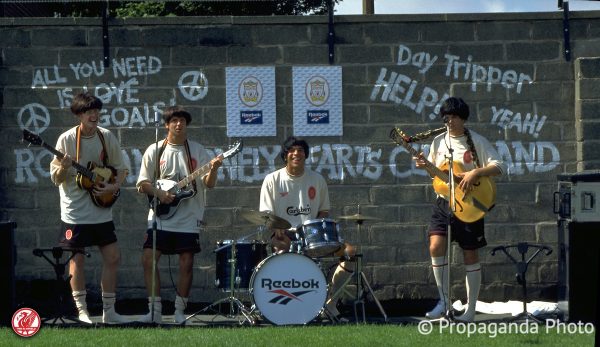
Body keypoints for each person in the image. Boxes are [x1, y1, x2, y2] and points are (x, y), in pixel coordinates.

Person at [414, 97, 506, 322]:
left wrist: (476, 172)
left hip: (469, 203)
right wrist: (425, 166)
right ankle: (444, 301)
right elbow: (439, 176)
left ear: (463, 118)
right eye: (446, 117)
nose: (450, 121)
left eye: (454, 116)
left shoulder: (476, 141)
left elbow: (499, 166)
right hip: (443, 202)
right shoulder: (437, 142)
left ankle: (471, 308)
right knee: (436, 246)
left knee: (470, 253)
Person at [136, 106, 222, 324]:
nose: (178, 124)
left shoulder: (197, 150)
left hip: (188, 217)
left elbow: (209, 185)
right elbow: (142, 184)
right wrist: (159, 194)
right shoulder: (155, 150)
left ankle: (179, 311)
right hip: (159, 217)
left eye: (182, 120)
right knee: (148, 259)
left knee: (186, 262)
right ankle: (154, 310)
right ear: (167, 124)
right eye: (174, 120)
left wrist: (213, 169)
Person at [49, 91, 129, 324]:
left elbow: (121, 169)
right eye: (88, 112)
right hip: (75, 212)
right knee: (77, 259)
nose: (94, 115)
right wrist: (64, 167)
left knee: (113, 256)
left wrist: (112, 188)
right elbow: (56, 177)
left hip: (102, 209)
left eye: (96, 111)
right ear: (79, 115)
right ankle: (82, 310)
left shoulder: (106, 137)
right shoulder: (66, 140)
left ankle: (109, 311)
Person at [259, 136, 354, 320]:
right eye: (292, 150)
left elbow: (324, 212)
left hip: (312, 235)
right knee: (282, 248)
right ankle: (285, 305)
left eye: (301, 150)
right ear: (285, 155)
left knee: (350, 252)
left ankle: (330, 304)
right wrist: (276, 227)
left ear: (306, 155)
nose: (297, 154)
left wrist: (315, 230)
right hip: (284, 235)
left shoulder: (317, 180)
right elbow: (266, 215)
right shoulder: (272, 179)